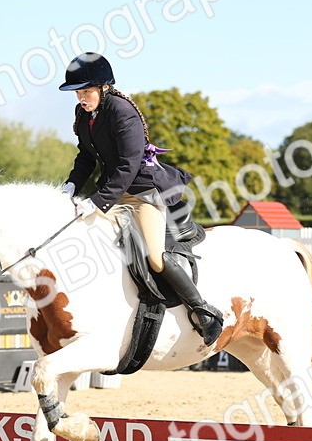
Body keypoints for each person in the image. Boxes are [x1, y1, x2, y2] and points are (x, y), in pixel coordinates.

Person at [58, 52, 223, 345]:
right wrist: (71, 184)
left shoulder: (122, 112)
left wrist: (97, 201)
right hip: (114, 193)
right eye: (78, 93)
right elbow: (86, 156)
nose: (81, 98)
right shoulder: (83, 115)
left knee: (156, 258)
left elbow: (128, 165)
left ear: (103, 87)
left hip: (144, 193)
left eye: (86, 92)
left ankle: (203, 311)